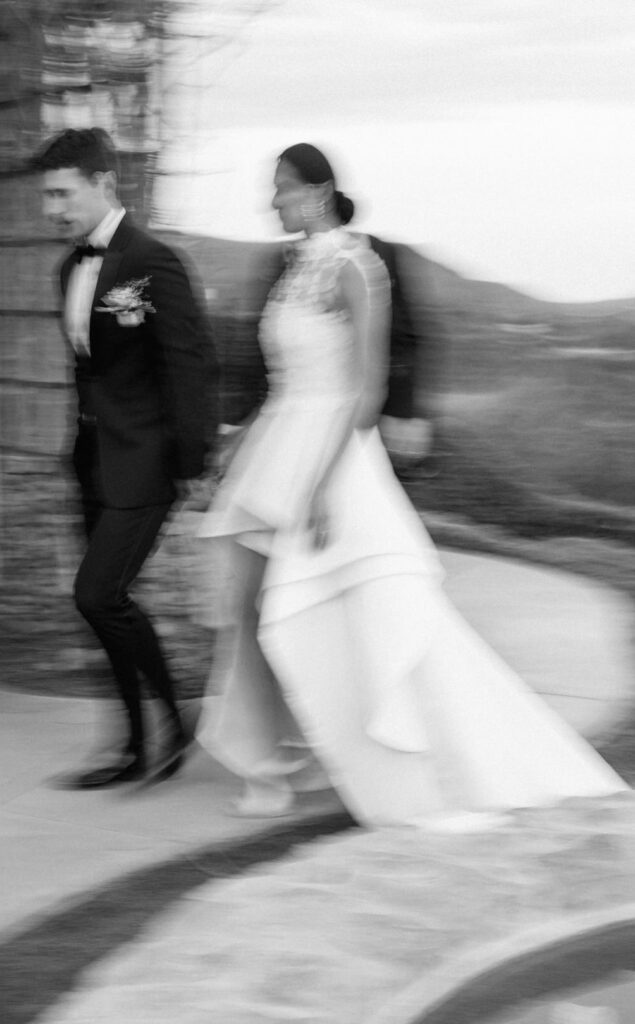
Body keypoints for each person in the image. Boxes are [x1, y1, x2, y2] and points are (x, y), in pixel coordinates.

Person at [195, 141, 627, 829]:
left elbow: (363, 391)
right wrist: (237, 443)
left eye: (279, 187)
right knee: (245, 605)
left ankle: (389, 751)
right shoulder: (287, 268)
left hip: (330, 456)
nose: (269, 200)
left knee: (331, 611)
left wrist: (318, 485)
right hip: (275, 444)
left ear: (316, 190)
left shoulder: (357, 269)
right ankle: (273, 758)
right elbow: (281, 381)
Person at [32, 128, 217, 789]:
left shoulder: (154, 260)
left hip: (148, 461)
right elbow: (90, 372)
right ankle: (134, 746)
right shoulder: (67, 270)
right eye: (46, 197)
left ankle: (172, 718)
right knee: (102, 603)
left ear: (102, 184)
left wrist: (193, 463)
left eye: (61, 193)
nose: (52, 209)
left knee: (97, 594)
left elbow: (189, 363)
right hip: (90, 462)